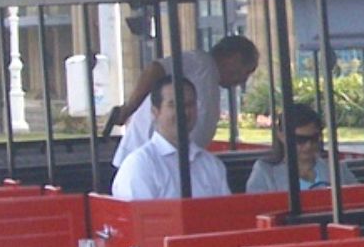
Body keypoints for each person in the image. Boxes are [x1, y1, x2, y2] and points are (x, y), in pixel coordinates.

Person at [109, 34, 259, 167]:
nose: (243, 79)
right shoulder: (200, 62)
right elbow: (156, 69)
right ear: (233, 58)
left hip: (176, 164)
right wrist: (129, 108)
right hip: (148, 161)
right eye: (245, 70)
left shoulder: (210, 77)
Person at [109, 77, 231, 200]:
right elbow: (139, 217)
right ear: (155, 112)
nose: (183, 112)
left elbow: (225, 214)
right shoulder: (139, 166)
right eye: (173, 105)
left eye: (189, 104)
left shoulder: (211, 165)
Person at [245, 103, 338, 196]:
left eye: (314, 138)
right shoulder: (265, 172)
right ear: (281, 136)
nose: (308, 145)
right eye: (300, 139)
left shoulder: (336, 168)